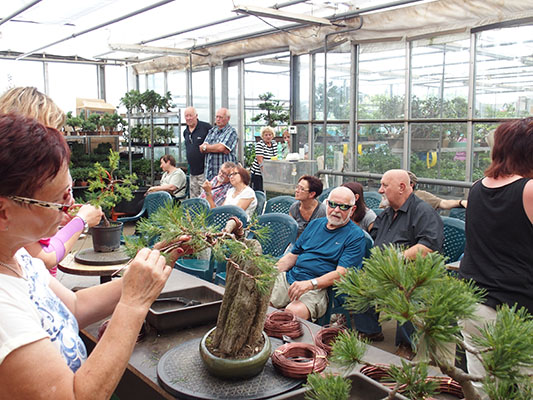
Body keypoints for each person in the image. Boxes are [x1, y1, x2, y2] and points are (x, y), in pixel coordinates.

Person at [0, 113, 176, 398]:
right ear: (4, 212)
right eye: (59, 199)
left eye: (70, 191)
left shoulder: (18, 258)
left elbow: (74, 306)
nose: (71, 205)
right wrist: (133, 304)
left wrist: (142, 274)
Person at [459, 118, 533, 379]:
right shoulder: (528, 189)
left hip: (473, 303)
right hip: (515, 310)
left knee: (484, 385)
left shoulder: (478, 188)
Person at [0, 86, 102, 276]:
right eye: (47, 131)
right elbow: (43, 257)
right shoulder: (15, 186)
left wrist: (56, 213)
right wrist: (81, 221)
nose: (55, 140)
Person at [360, 169, 443, 358]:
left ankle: (407, 344)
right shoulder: (387, 213)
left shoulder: (423, 212)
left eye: (384, 185)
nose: (380, 190)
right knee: (357, 281)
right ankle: (370, 330)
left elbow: (428, 246)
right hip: (384, 270)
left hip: (413, 272)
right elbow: (374, 237)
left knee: (408, 291)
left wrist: (397, 259)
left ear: (402, 187)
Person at [271, 187, 366, 321]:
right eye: (332, 204)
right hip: (292, 277)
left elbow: (342, 274)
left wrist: (311, 284)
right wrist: (271, 272)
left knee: (292, 314)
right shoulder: (315, 224)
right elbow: (293, 255)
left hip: (321, 288)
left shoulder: (355, 236)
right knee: (259, 300)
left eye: (343, 207)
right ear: (326, 204)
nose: (336, 210)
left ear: (353, 210)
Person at [380, 171, 468, 210]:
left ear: (410, 185)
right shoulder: (390, 199)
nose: (381, 190)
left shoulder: (420, 196)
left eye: (385, 185)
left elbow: (443, 203)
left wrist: (460, 202)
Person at [201, 108, 237, 182]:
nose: (218, 119)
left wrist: (207, 148)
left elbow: (221, 148)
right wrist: (215, 148)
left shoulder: (231, 132)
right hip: (210, 175)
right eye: (217, 117)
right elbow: (201, 148)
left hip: (225, 176)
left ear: (228, 118)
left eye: (221, 117)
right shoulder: (212, 131)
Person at [183, 107, 211, 198]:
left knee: (204, 198)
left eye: (190, 115)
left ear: (196, 116)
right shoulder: (186, 132)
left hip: (204, 172)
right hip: (192, 172)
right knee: (194, 198)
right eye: (186, 116)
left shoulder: (206, 127)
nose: (188, 118)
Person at [250, 126, 277, 191]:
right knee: (259, 191)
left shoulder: (274, 144)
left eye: (270, 135)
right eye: (266, 135)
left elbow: (275, 157)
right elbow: (260, 161)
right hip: (258, 173)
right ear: (262, 136)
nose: (268, 137)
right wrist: (265, 173)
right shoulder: (260, 144)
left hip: (270, 172)